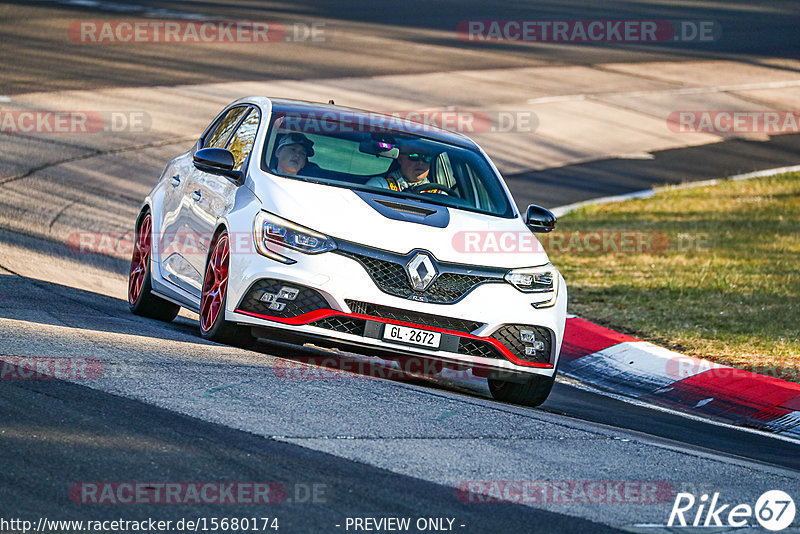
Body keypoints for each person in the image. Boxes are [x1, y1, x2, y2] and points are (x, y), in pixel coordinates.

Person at [366, 150, 434, 192]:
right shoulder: (380, 186)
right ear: (400, 159)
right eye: (414, 156)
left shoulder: (438, 193)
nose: (420, 162)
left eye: (427, 157)